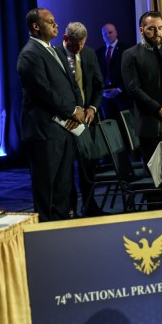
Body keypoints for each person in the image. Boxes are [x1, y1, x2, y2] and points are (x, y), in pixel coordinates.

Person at [17, 8, 86, 222]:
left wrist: (80, 107)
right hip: (44, 133)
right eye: (50, 22)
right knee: (47, 188)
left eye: (55, 21)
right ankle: (46, 232)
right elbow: (44, 91)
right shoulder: (29, 54)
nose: (56, 25)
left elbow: (71, 84)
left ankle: (62, 229)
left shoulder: (54, 50)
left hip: (64, 130)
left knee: (63, 186)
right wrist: (72, 111)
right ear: (36, 27)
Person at [120, 10, 162, 207]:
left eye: (160, 28)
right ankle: (157, 214)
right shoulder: (131, 54)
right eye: (152, 29)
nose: (158, 32)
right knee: (155, 178)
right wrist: (158, 108)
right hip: (150, 124)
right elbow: (134, 89)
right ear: (142, 30)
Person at [62, 22, 104, 217]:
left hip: (88, 121)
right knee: (67, 170)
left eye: (82, 44)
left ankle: (89, 205)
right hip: (66, 123)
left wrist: (93, 108)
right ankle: (70, 208)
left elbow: (98, 85)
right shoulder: (55, 55)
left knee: (88, 167)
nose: (79, 49)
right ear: (65, 39)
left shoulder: (89, 54)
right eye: (75, 45)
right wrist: (71, 112)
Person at [96, 23, 131, 119]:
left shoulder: (126, 50)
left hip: (122, 97)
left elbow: (130, 73)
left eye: (110, 32)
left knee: (125, 129)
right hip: (105, 98)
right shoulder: (98, 52)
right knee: (109, 129)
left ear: (116, 33)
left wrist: (120, 89)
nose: (108, 35)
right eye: (105, 34)